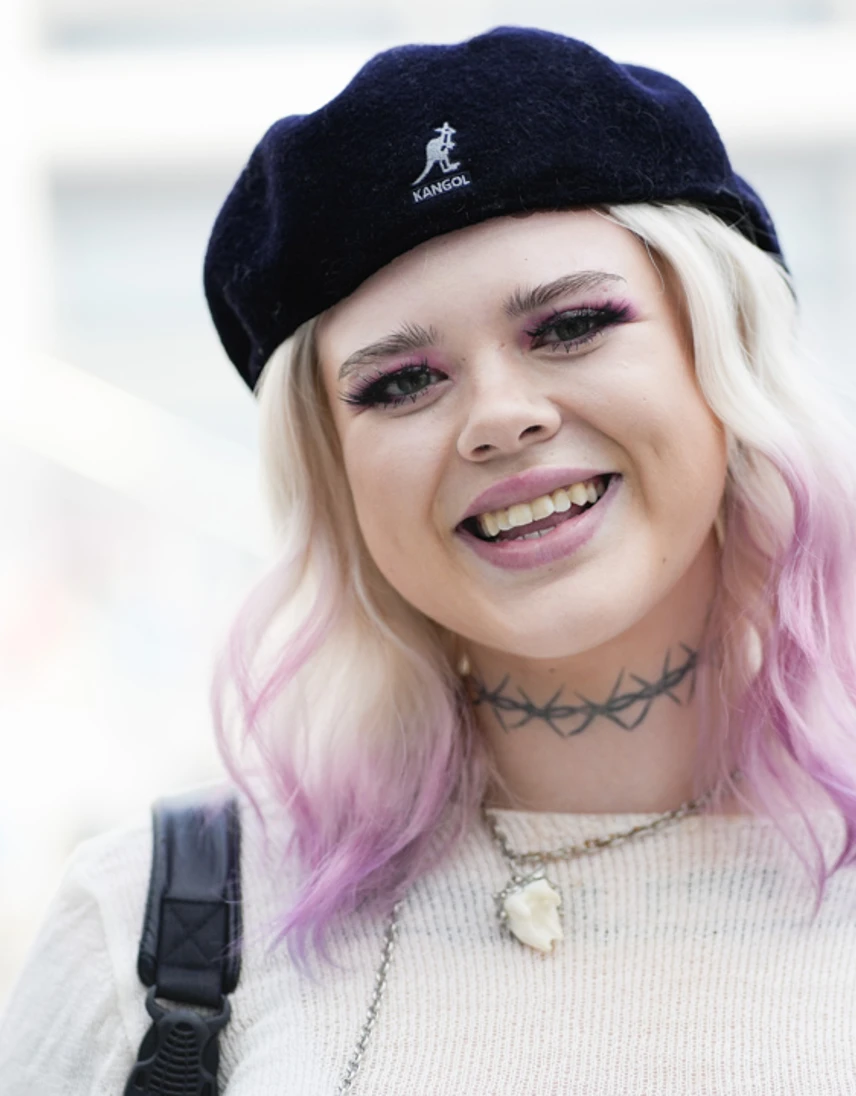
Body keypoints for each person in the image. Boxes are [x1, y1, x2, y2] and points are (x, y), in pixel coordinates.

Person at [2, 24, 856, 1095]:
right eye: (399, 383)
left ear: (719, 362)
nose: (498, 419)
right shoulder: (149, 924)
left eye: (572, 324)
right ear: (335, 473)